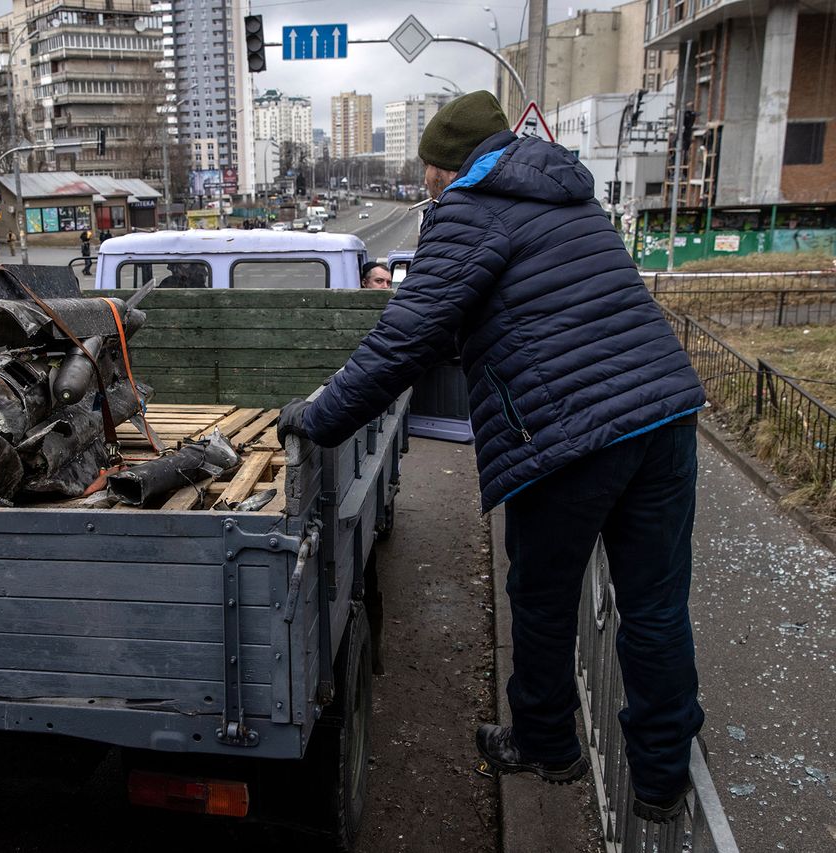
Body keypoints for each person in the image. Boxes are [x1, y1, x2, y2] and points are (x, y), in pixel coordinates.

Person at [276, 91, 707, 824]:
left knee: (541, 595)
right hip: (664, 411)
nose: (426, 191)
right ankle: (662, 783)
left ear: (449, 168)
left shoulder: (468, 209)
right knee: (655, 604)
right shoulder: (566, 195)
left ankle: (547, 743)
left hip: (574, 432)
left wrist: (317, 418)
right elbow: (531, 304)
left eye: (429, 177)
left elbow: (405, 338)